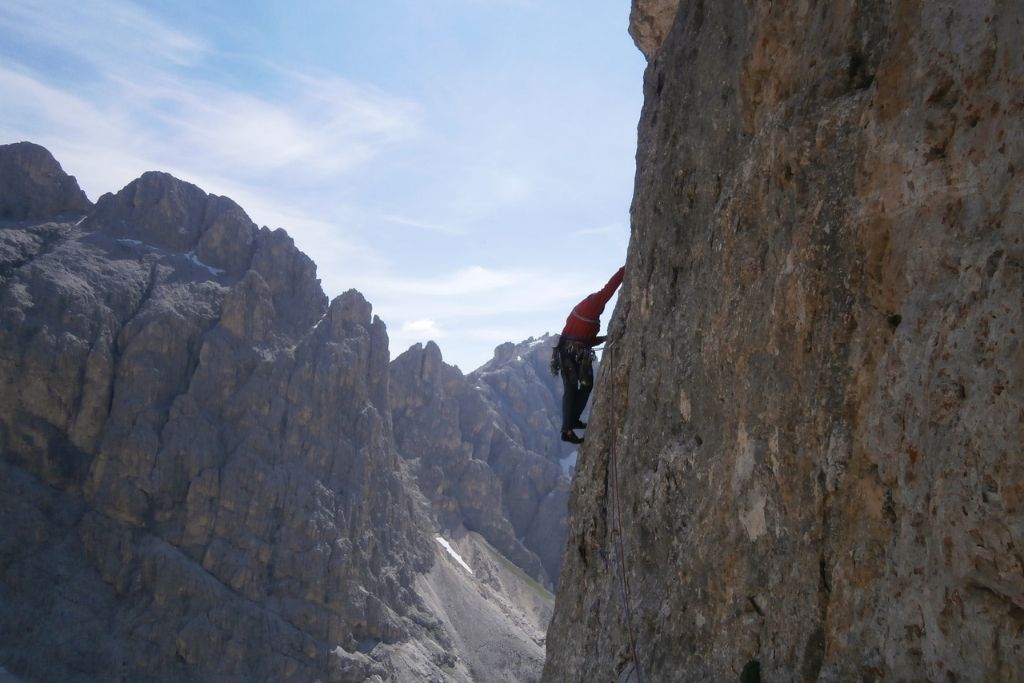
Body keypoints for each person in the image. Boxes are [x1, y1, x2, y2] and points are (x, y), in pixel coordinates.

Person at [552, 265, 625, 444]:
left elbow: (586, 339)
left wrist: (605, 339)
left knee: (584, 386)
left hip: (571, 353)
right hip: (571, 355)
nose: (602, 311)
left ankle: (573, 420)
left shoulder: (584, 314)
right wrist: (625, 270)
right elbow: (609, 288)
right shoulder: (592, 305)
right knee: (571, 389)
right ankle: (567, 430)